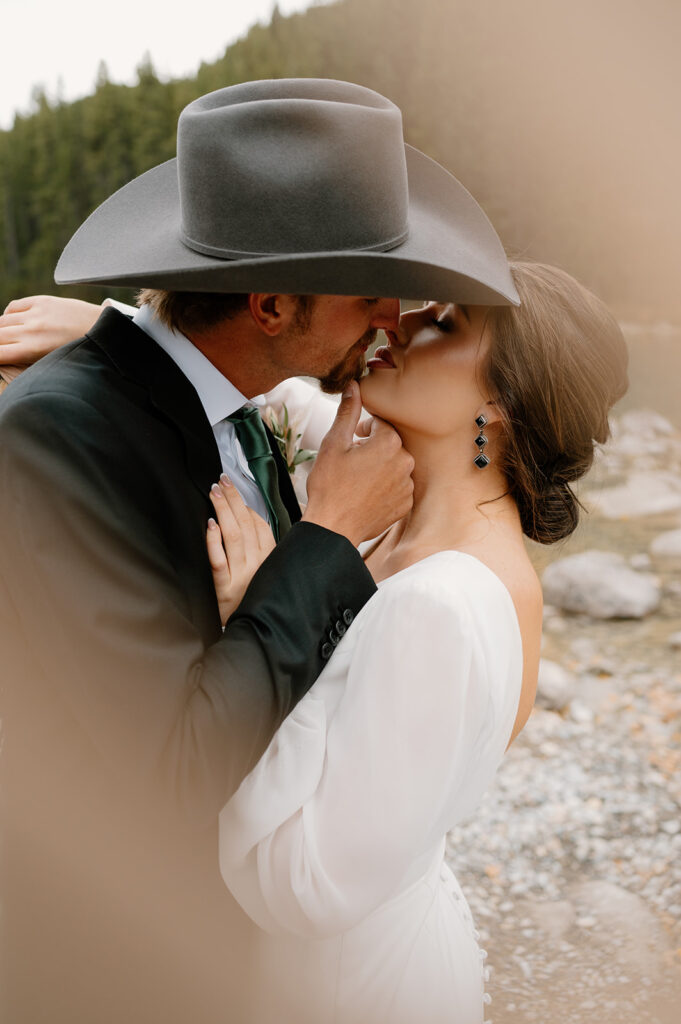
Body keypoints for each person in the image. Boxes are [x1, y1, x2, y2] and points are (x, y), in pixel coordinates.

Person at [0, 78, 519, 1024]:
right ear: (273, 304)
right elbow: (176, 766)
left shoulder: (232, 406)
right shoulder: (57, 440)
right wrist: (320, 538)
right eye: (373, 295)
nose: (390, 324)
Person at [1, 262, 629, 1022]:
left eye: (445, 324)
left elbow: (302, 886)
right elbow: (274, 391)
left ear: (496, 401)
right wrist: (129, 340)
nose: (396, 321)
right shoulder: (400, 515)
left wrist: (257, 614)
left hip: (346, 987)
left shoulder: (444, 603)